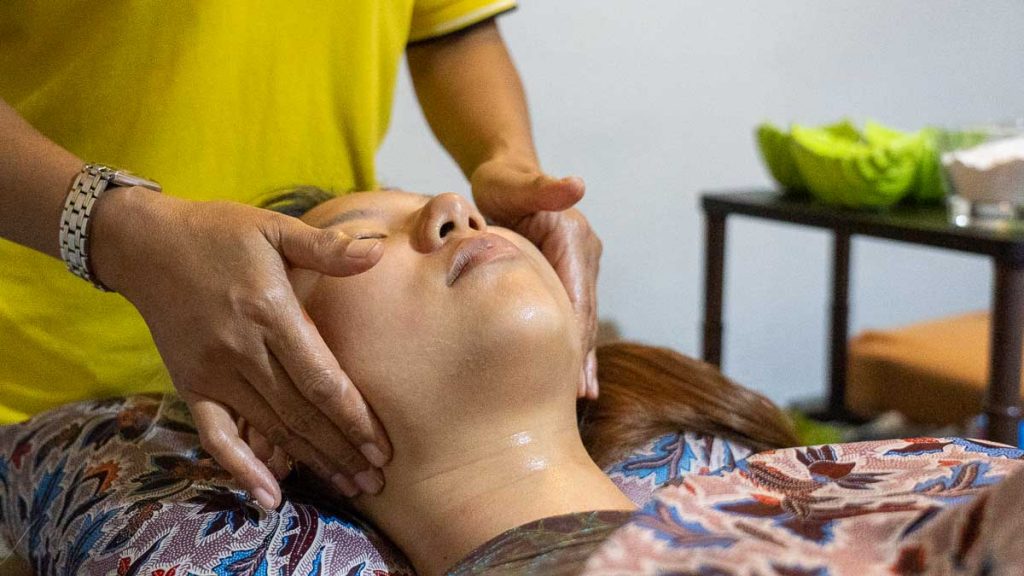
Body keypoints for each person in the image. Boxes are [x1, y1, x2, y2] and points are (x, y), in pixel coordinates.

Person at [0, 188, 798, 575]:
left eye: (445, 201)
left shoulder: (808, 495)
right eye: (359, 240)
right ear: (267, 414)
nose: (456, 207)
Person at [0, 2, 603, 508]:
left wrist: (512, 164)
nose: (454, 205)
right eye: (362, 230)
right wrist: (113, 231)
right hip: (45, 380)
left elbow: (450, 28)